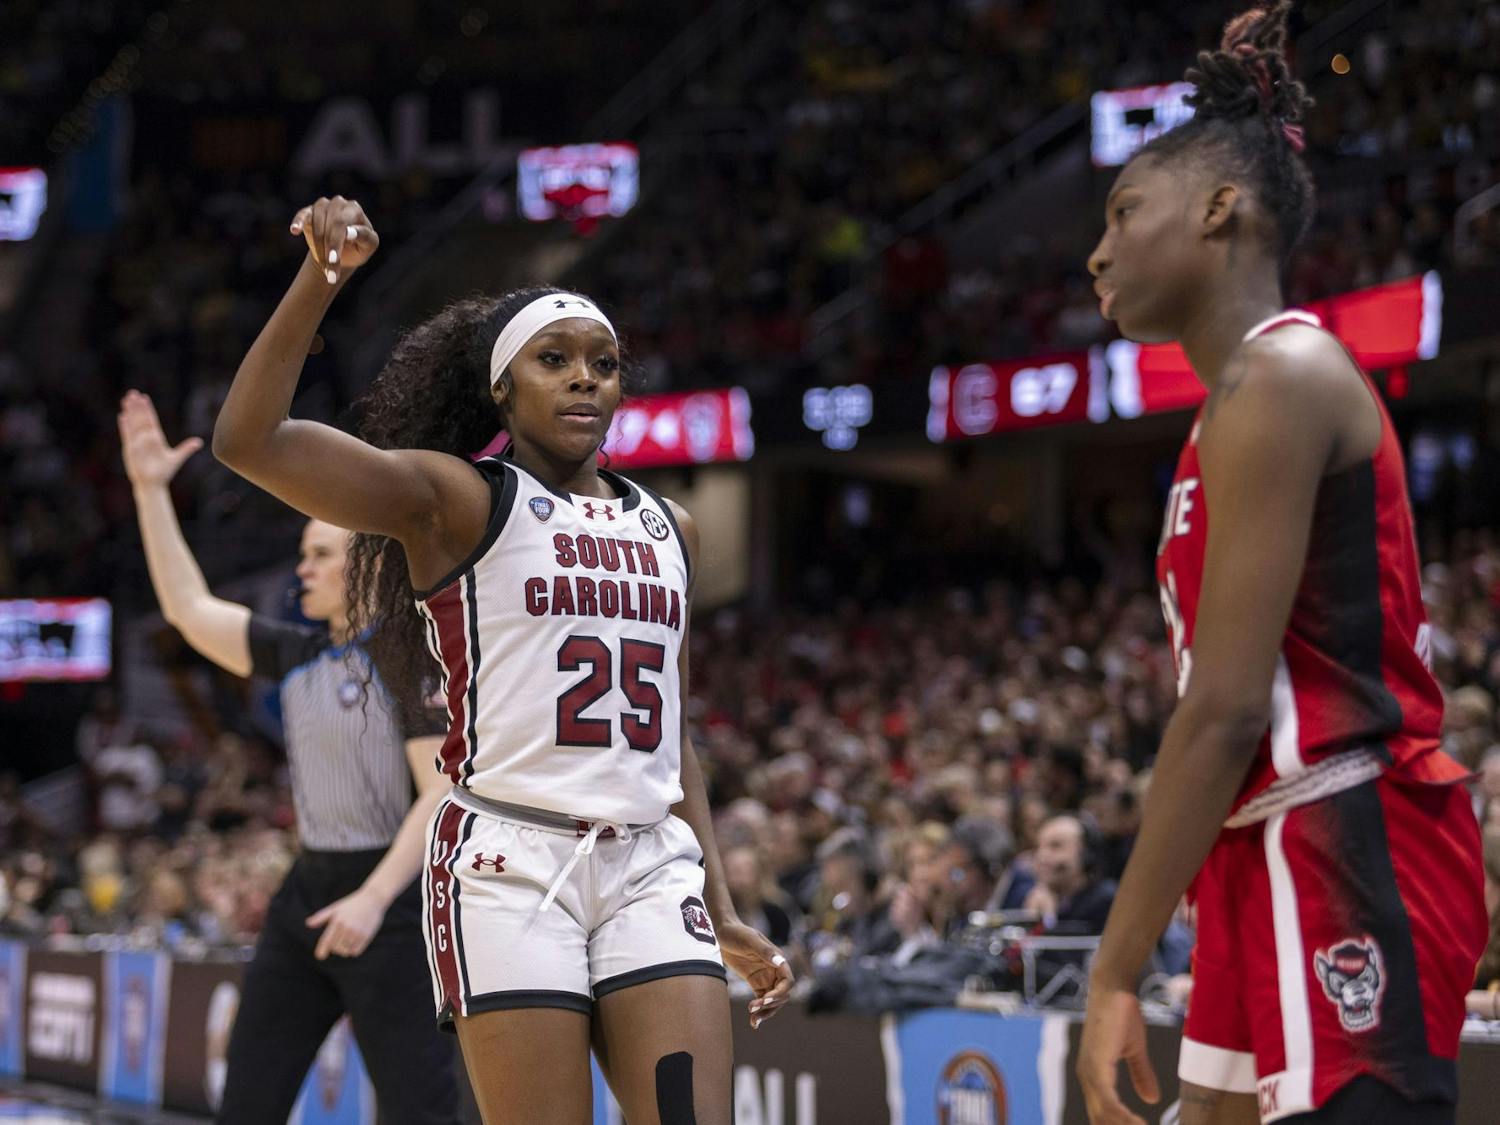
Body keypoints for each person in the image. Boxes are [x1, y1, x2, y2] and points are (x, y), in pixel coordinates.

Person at [210, 197, 794, 1124]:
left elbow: (673, 743)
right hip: (507, 862)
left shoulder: (668, 525)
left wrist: (720, 908)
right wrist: (318, 282)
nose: (584, 382)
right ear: (501, 389)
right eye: (553, 361)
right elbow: (249, 442)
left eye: (604, 365)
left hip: (650, 863)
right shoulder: (458, 501)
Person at [1076, 5, 1485, 1123]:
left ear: (1221, 209)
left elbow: (1222, 713)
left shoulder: (1284, 378)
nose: (1097, 249)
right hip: (1259, 849)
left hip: (1352, 833)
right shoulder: (1225, 413)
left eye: (1123, 211)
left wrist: (1113, 970)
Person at [118, 391, 460, 1124]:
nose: (301, 569)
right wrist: (150, 491)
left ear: (365, 566)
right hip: (308, 895)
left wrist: (372, 900)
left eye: (318, 555)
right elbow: (187, 608)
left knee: (423, 1111)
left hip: (391, 907)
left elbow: (438, 796)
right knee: (248, 1101)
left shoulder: (408, 657)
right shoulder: (298, 651)